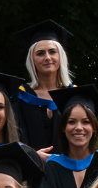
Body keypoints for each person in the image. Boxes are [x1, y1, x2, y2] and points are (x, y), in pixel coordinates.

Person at [12, 20, 73, 151]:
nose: (47, 57)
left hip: (67, 169)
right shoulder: (21, 96)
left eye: (52, 52)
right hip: (29, 167)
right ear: (32, 59)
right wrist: (33, 155)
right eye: (40, 53)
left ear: (60, 56)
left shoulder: (73, 95)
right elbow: (14, 137)